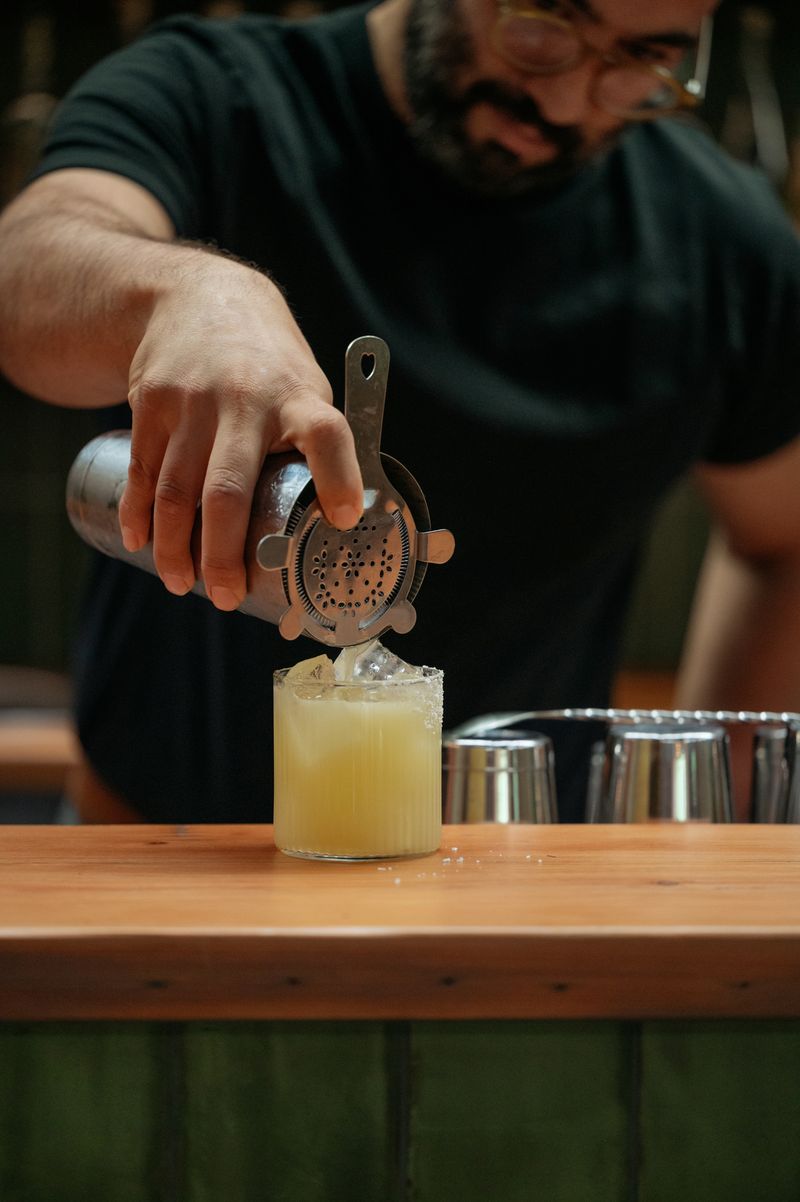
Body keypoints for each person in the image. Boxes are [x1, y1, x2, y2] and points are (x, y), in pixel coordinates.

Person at [1, 0, 799, 823]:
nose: (565, 103)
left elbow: (784, 538)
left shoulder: (724, 242)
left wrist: (695, 830)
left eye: (642, 60)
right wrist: (183, 293)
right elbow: (23, 269)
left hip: (526, 881)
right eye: (542, 30)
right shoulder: (211, 95)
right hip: (156, 859)